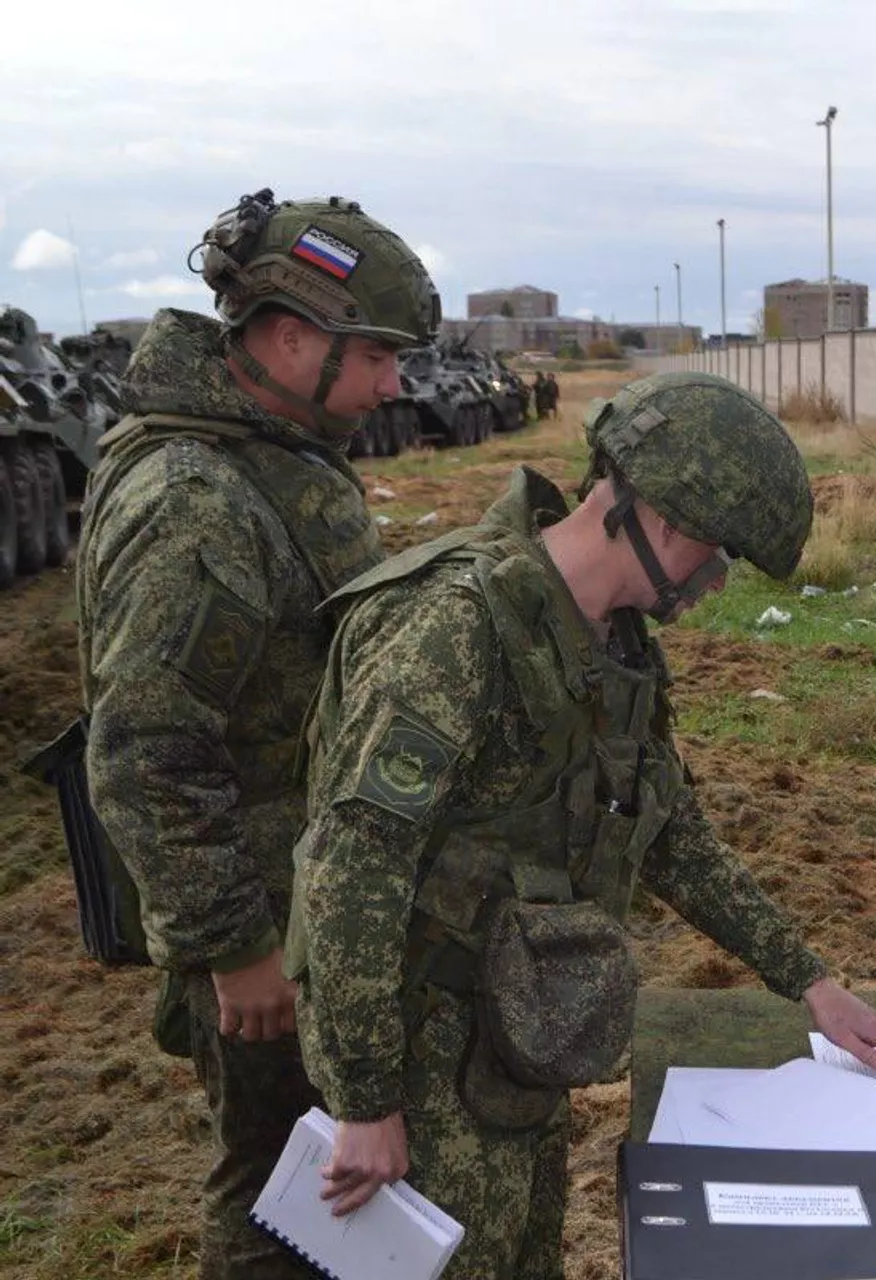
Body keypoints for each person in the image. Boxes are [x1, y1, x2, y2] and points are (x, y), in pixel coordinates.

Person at [286, 371, 876, 1279]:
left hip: (518, 1046)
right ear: (666, 523)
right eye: (721, 557)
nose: (717, 584)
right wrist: (365, 1100)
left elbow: (669, 831)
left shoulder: (614, 645)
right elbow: (353, 868)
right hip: (420, 1066)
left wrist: (810, 982)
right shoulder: (457, 628)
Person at [75, 189, 439, 1279]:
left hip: (301, 897)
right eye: (378, 355)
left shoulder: (263, 450)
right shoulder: (200, 501)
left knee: (318, 1179)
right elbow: (144, 750)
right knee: (279, 1194)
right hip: (261, 926)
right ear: (290, 340)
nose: (395, 383)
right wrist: (236, 946)